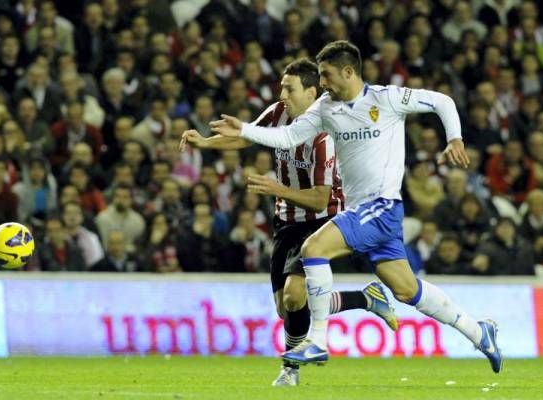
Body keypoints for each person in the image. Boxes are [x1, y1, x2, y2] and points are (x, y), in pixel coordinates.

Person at [210, 40, 502, 374]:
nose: (322, 83)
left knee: (313, 248)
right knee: (407, 291)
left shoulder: (386, 98)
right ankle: (480, 333)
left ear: (349, 72)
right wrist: (245, 130)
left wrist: (454, 138)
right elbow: (289, 137)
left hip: (381, 205)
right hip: (365, 213)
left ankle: (317, 341)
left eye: (326, 75)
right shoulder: (324, 108)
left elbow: (442, 101)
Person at [181, 59, 398, 386]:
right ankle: (366, 299)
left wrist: (276, 188)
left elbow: (321, 198)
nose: (282, 93)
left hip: (322, 222)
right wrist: (205, 143)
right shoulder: (278, 113)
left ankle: (289, 371)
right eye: (281, 86)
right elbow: (248, 137)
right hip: (285, 222)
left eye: (289, 88)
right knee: (287, 307)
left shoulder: (324, 136)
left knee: (297, 297)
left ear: (311, 92)